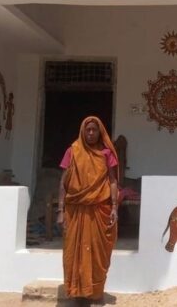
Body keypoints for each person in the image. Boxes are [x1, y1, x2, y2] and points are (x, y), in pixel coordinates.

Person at [57, 116, 119, 306]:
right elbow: (63, 182)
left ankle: (94, 293)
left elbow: (113, 181)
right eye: (88, 130)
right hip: (75, 211)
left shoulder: (106, 154)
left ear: (100, 132)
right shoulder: (73, 151)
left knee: (99, 254)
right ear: (82, 131)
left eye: (94, 130)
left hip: (100, 210)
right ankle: (77, 294)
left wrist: (114, 207)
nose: (91, 133)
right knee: (73, 253)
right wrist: (60, 209)